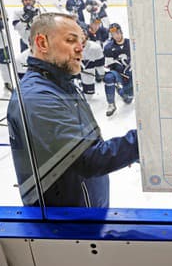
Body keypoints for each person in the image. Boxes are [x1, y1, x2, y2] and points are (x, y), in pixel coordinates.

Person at [7, 12, 139, 208]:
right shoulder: (38, 97)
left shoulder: (58, 82)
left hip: (83, 211)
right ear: (42, 44)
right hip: (69, 224)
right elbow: (87, 160)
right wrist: (141, 142)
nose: (80, 49)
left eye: (83, 43)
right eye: (70, 40)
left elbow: (82, 147)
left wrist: (122, 153)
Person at [103, 23, 133, 116]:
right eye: (113, 34)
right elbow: (108, 65)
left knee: (128, 99)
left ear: (121, 32)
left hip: (132, 74)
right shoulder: (108, 47)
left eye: (117, 32)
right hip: (118, 74)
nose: (116, 35)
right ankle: (111, 104)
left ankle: (121, 91)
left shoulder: (131, 43)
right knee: (108, 77)